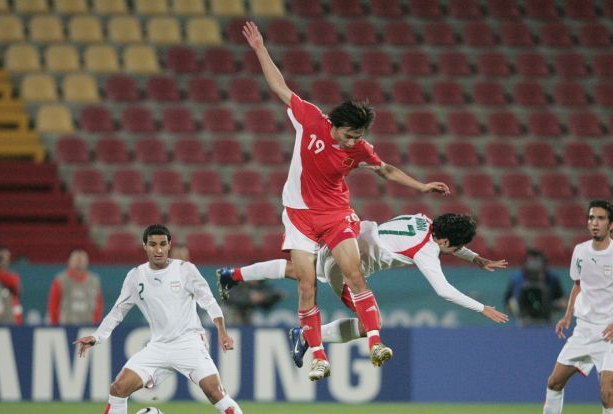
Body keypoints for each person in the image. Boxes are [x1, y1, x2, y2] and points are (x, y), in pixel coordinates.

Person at [243, 21, 450, 381]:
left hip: (336, 214)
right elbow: (279, 87)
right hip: (299, 217)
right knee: (306, 285)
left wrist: (420, 187)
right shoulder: (310, 119)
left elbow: (385, 170)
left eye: (359, 137)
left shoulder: (359, 150)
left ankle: (375, 342)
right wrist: (260, 48)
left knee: (354, 273)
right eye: (350, 135)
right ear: (336, 125)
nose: (354, 142)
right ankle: (318, 357)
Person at [74, 224, 263, 414]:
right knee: (118, 388)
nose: (158, 249)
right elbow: (118, 311)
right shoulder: (135, 276)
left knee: (215, 392)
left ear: (169, 245)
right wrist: (97, 337)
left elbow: (209, 302)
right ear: (144, 246)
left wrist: (222, 331)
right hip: (158, 346)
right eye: (153, 244)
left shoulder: (185, 270)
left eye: (163, 244)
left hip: (189, 343)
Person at [217, 212, 509, 367]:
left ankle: (233, 274)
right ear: (444, 242)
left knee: (297, 270)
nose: (456, 251)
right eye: (456, 248)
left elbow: (449, 244)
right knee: (372, 322)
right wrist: (481, 307)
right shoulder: (426, 251)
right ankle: (307, 335)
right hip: (347, 268)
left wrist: (476, 259)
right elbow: (443, 290)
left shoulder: (423, 220)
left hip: (346, 240)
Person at [519, 200, 613, 414]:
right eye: (591, 218)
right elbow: (578, 285)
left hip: (610, 334)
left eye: (600, 218)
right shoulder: (580, 251)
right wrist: (568, 315)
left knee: (606, 392)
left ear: (612, 224)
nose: (594, 223)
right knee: (554, 382)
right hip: (583, 330)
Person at [504, 249, 566, 326]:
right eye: (531, 262)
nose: (534, 266)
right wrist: (515, 308)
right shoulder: (516, 278)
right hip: (522, 318)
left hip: (548, 318)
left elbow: (563, 301)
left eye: (537, 262)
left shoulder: (553, 278)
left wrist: (552, 305)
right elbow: (507, 302)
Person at [47, 249, 103, 325]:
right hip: (66, 325)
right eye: (76, 259)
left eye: (82, 260)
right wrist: (55, 326)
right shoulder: (60, 280)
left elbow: (98, 305)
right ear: (69, 261)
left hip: (89, 326)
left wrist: (96, 324)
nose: (79, 262)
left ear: (87, 261)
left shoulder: (94, 281)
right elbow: (53, 305)